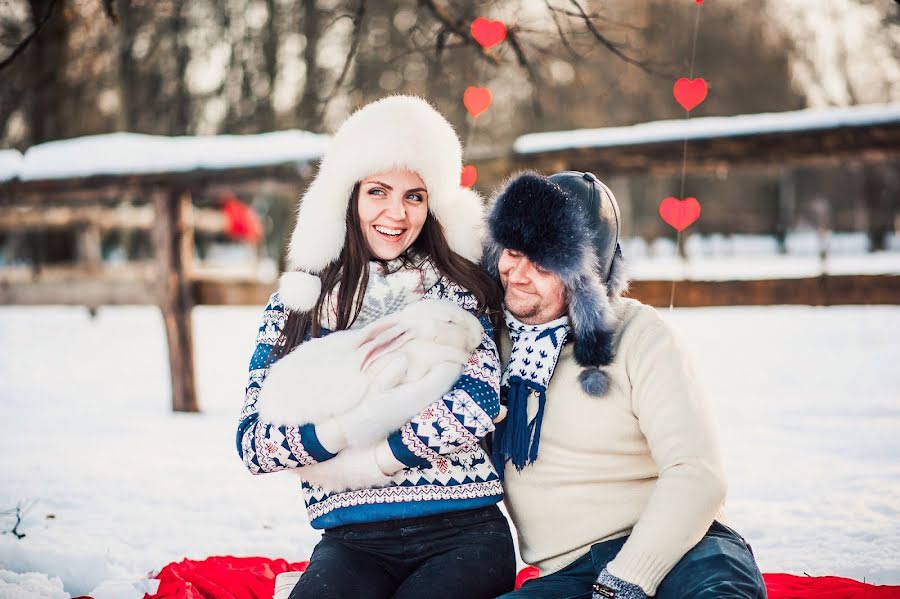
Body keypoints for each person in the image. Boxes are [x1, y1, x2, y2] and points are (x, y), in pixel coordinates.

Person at [235, 96, 515, 599]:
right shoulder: (299, 303)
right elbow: (257, 444)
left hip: (462, 533)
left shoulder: (455, 288)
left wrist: (362, 456)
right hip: (351, 542)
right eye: (378, 191)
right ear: (348, 196)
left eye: (414, 196)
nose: (396, 213)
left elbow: (472, 408)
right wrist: (349, 427)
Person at [482, 171, 767, 598]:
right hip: (568, 573)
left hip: (684, 551)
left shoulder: (641, 335)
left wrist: (629, 578)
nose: (519, 274)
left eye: (543, 263)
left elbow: (697, 473)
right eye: (514, 251)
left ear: (587, 277)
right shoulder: (486, 346)